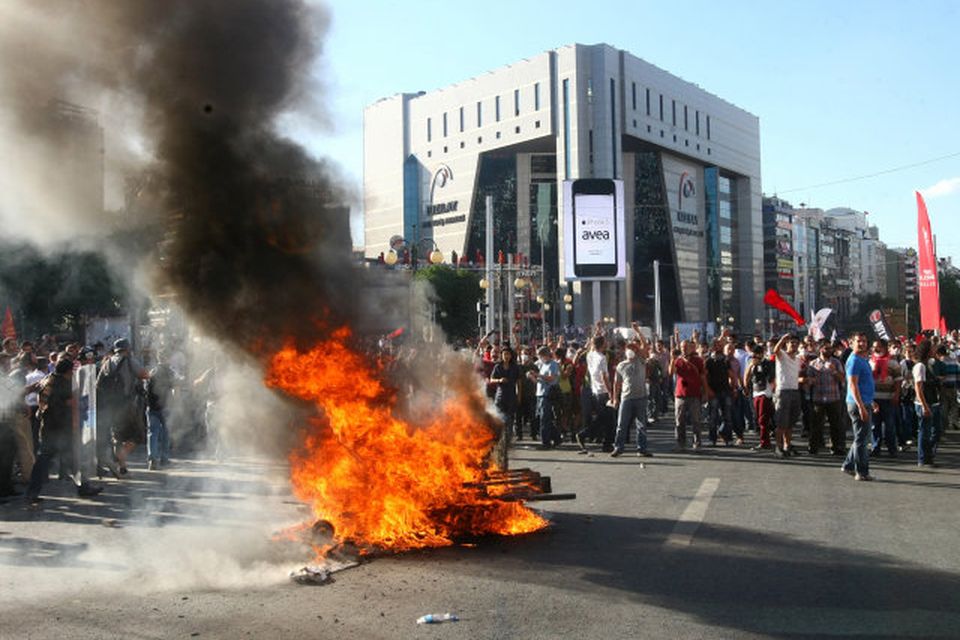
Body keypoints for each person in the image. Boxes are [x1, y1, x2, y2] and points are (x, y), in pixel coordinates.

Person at [26, 358, 102, 504]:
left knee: (58, 460)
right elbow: (68, 404)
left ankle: (33, 492)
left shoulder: (48, 378)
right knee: (70, 458)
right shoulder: (63, 383)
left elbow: (40, 398)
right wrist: (74, 424)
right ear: (68, 371)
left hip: (49, 426)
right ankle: (83, 487)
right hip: (59, 427)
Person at [96, 338, 149, 476]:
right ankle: (120, 456)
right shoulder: (130, 361)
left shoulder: (107, 363)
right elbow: (144, 375)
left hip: (111, 406)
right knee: (137, 435)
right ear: (127, 349)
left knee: (118, 437)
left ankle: (122, 465)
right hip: (128, 405)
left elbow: (98, 384)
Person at [610, 337, 653, 457]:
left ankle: (642, 449)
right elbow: (616, 384)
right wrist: (615, 398)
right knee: (621, 424)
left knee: (641, 425)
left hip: (641, 397)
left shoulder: (641, 360)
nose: (631, 350)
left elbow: (645, 347)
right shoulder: (621, 365)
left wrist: (638, 332)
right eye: (629, 349)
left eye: (633, 348)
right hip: (626, 398)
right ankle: (618, 447)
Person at [842, 332, 876, 481]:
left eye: (864, 341)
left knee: (861, 437)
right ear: (852, 343)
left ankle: (848, 465)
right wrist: (861, 407)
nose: (861, 344)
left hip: (865, 401)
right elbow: (853, 385)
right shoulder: (854, 360)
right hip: (857, 404)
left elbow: (864, 384)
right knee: (862, 439)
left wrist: (871, 401)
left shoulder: (863, 359)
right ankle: (861, 472)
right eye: (858, 341)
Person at [806, 340, 846, 455]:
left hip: (833, 398)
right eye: (826, 348)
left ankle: (836, 446)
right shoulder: (813, 364)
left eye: (830, 348)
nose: (829, 350)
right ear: (820, 349)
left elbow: (842, 378)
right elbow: (808, 381)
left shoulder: (836, 362)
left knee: (835, 424)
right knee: (816, 424)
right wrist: (810, 381)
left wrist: (834, 370)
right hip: (818, 399)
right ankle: (813, 446)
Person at [669, 339, 707, 451]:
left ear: (691, 348)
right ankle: (681, 444)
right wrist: (672, 358)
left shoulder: (698, 360)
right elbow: (671, 373)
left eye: (686, 347)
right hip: (680, 394)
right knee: (679, 421)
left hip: (694, 394)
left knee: (696, 420)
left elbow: (703, 377)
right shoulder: (678, 360)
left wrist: (705, 392)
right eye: (682, 347)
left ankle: (697, 443)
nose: (684, 349)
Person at [772, 334, 804, 459]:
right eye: (791, 343)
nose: (794, 345)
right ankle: (778, 447)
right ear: (787, 344)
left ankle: (787, 445)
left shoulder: (798, 359)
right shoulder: (782, 355)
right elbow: (775, 350)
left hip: (795, 391)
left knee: (790, 423)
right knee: (781, 422)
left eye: (796, 343)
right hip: (783, 392)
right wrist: (782, 339)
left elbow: (796, 376)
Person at [489, 346, 520, 467]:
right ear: (501, 356)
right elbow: (491, 379)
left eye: (508, 354)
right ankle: (499, 443)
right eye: (504, 354)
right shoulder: (497, 367)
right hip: (500, 398)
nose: (506, 356)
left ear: (511, 356)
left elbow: (519, 382)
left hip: (511, 397)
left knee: (510, 420)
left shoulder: (515, 367)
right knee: (500, 421)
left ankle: (507, 441)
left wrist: (519, 396)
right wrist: (499, 380)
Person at [870, 339, 901, 457]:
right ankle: (875, 447)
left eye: (878, 347)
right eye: (874, 347)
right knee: (874, 426)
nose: (875, 349)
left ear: (884, 348)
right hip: (874, 399)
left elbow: (898, 381)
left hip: (889, 398)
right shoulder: (870, 362)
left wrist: (897, 394)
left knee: (890, 425)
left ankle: (892, 448)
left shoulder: (893, 363)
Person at [913, 339, 941, 467]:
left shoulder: (928, 364)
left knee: (936, 431)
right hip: (925, 403)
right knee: (925, 432)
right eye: (933, 348)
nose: (935, 349)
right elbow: (918, 388)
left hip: (933, 402)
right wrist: (924, 406)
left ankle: (928, 455)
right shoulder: (920, 366)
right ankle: (923, 458)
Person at [146, 358, 176, 470]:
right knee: (165, 433)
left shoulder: (152, 371)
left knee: (152, 434)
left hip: (152, 407)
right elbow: (175, 386)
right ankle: (164, 459)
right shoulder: (169, 372)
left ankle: (152, 460)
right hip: (164, 406)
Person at [744, 344, 776, 450]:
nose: (754, 358)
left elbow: (770, 377)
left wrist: (759, 366)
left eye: (756, 355)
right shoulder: (752, 364)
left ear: (761, 354)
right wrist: (751, 366)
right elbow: (747, 376)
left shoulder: (768, 364)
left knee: (763, 419)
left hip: (765, 393)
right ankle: (764, 440)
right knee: (758, 418)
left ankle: (765, 442)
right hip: (755, 393)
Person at [705, 340, 736, 446]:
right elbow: (704, 376)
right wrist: (707, 390)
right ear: (712, 347)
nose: (718, 347)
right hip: (713, 391)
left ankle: (728, 438)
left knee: (727, 416)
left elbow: (732, 375)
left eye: (719, 345)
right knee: (713, 417)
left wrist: (733, 388)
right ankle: (712, 439)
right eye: (715, 345)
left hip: (725, 391)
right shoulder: (708, 361)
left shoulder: (726, 360)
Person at [528, 346, 560, 449]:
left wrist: (538, 375)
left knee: (544, 419)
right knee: (542, 417)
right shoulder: (540, 364)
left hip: (548, 394)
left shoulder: (553, 364)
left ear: (545, 355)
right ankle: (557, 437)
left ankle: (545, 442)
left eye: (540, 355)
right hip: (540, 393)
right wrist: (531, 376)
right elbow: (537, 380)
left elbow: (552, 378)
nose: (539, 358)